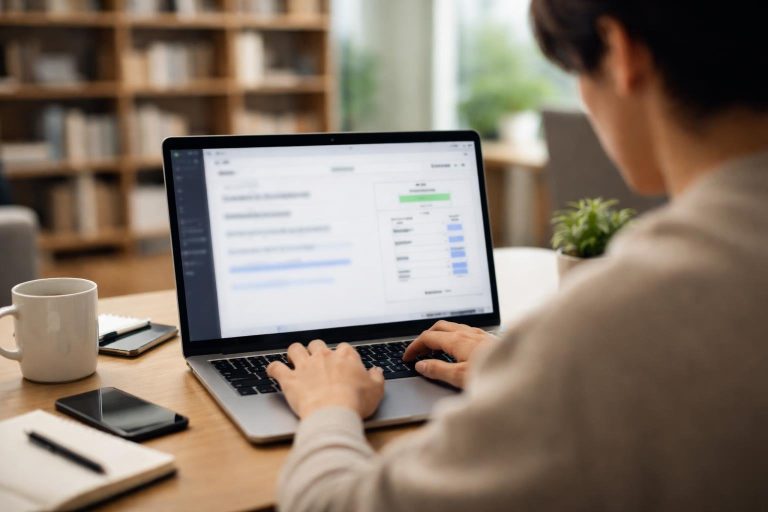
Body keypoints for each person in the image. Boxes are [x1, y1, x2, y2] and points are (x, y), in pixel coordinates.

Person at [266, 0, 768, 510]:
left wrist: (327, 406)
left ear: (621, 54)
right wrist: (526, 378)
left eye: (574, 71)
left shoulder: (617, 320)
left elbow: (329, 504)